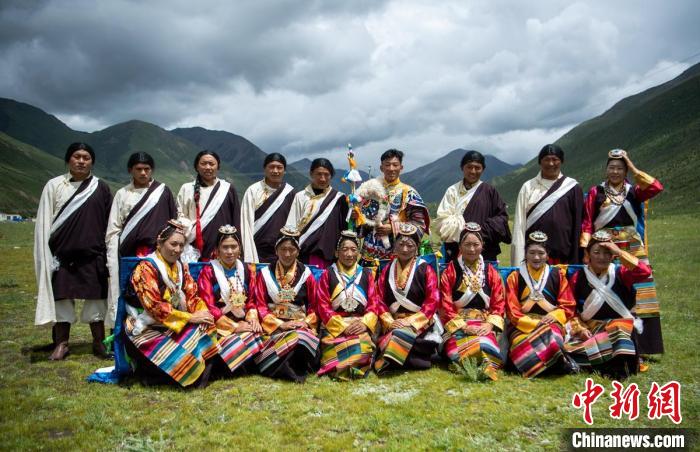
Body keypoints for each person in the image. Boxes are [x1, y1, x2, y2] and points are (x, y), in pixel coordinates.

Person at [580, 149, 664, 358]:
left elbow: (655, 187)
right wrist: (585, 251)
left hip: (632, 246)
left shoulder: (634, 191)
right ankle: (610, 335)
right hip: (603, 245)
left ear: (626, 171)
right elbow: (587, 221)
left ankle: (643, 343)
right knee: (609, 285)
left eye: (620, 168)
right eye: (611, 167)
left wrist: (632, 166)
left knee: (641, 288)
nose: (615, 172)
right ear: (606, 170)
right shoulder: (596, 192)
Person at [34, 143, 113, 360]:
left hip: (92, 256)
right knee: (61, 299)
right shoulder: (54, 186)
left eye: (86, 157)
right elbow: (44, 221)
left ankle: (98, 343)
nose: (81, 161)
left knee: (96, 300)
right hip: (62, 257)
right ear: (68, 159)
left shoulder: (101, 188)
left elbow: (109, 223)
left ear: (92, 162)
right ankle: (62, 344)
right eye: (77, 156)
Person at [124, 220, 219, 387]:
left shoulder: (181, 268)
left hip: (173, 322)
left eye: (181, 245)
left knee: (206, 326)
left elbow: (192, 295)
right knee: (174, 355)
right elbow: (154, 307)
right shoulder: (145, 268)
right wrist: (190, 317)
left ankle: (192, 373)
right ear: (159, 243)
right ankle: (163, 374)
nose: (177, 249)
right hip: (145, 324)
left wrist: (202, 312)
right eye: (173, 244)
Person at [566, 231, 651, 378]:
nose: (601, 257)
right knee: (568, 349)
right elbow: (570, 308)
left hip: (619, 326)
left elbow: (644, 272)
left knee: (619, 334)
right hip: (591, 328)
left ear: (612, 256)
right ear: (587, 254)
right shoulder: (577, 277)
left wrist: (619, 252)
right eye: (596, 252)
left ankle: (612, 364)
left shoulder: (621, 273)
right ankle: (607, 362)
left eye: (607, 253)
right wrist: (580, 329)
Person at [105, 152, 177, 327]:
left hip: (157, 254)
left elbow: (172, 222)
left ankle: (159, 330)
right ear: (130, 170)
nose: (143, 173)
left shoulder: (163, 192)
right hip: (130, 254)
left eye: (147, 169)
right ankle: (127, 331)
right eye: (138, 169)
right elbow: (114, 226)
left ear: (152, 170)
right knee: (132, 292)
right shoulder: (122, 194)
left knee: (158, 291)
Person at [505, 231, 577, 378]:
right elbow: (512, 309)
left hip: (550, 321)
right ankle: (555, 364)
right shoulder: (515, 277)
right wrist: (533, 324)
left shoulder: (557, 275)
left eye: (541, 253)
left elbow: (568, 304)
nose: (536, 257)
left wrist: (555, 315)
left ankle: (534, 366)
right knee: (519, 342)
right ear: (525, 254)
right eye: (531, 253)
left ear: (547, 255)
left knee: (554, 338)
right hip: (522, 324)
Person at [439, 223, 506, 381]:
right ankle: (477, 364)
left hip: (483, 323)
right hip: (458, 324)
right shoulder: (450, 271)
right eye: (467, 244)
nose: (471, 249)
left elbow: (498, 303)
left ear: (482, 245)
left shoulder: (491, 271)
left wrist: (489, 325)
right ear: (460, 246)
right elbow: (445, 305)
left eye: (476, 244)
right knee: (456, 349)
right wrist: (464, 327)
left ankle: (478, 364)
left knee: (485, 344)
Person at [253, 228, 320, 381]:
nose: (287, 254)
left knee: (301, 338)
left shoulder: (306, 274)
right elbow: (260, 305)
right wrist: (280, 324)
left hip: (299, 325)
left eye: (292, 250)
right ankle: (290, 368)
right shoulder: (264, 274)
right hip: (275, 327)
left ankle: (282, 365)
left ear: (298, 251)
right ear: (276, 250)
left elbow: (315, 306)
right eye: (283, 249)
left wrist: (305, 322)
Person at [197, 225, 264, 376]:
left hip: (243, 320)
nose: (229, 251)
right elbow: (208, 306)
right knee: (234, 341)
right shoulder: (208, 271)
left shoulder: (248, 270)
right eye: (225, 247)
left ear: (239, 249)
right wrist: (234, 326)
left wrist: (252, 319)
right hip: (219, 324)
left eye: (233, 247)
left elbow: (252, 300)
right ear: (217, 250)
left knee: (257, 334)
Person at [374, 223, 441, 373]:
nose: (404, 249)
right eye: (401, 244)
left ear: (417, 247)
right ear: (395, 246)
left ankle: (392, 359)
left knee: (398, 336)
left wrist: (410, 322)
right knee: (397, 333)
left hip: (419, 323)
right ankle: (410, 358)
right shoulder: (387, 269)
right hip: (395, 322)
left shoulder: (426, 269)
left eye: (410, 245)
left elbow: (432, 301)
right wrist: (390, 322)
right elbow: (378, 299)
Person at [316, 231, 381, 380]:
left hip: (359, 324)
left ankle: (355, 367)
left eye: (353, 250)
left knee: (362, 348)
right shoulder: (327, 274)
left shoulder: (367, 274)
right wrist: (342, 327)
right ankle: (339, 367)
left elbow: (374, 303)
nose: (349, 254)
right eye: (344, 249)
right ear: (336, 252)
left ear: (358, 253)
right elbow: (323, 305)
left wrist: (364, 324)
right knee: (333, 351)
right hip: (335, 327)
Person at [511, 144, 583, 266]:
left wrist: (576, 260)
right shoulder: (528, 187)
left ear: (561, 161)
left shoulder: (572, 187)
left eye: (555, 159)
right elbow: (519, 225)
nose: (551, 164)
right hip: (534, 259)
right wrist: (518, 263)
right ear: (540, 162)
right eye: (546, 160)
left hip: (563, 259)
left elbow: (578, 226)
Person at [356, 149, 430, 266]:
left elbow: (419, 225)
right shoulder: (371, 190)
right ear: (381, 168)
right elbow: (360, 221)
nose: (391, 169)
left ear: (401, 167)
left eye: (395, 165)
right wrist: (360, 218)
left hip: (398, 256)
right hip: (369, 254)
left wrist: (394, 228)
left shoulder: (409, 193)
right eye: (387, 165)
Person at [434, 150, 511, 262]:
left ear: (483, 169)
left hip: (484, 250)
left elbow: (501, 220)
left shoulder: (489, 191)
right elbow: (442, 222)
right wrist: (464, 231)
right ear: (462, 168)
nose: (473, 171)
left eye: (477, 168)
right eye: (469, 167)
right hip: (456, 250)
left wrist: (479, 231)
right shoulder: (452, 191)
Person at [177, 150, 241, 261]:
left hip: (222, 249)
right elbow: (180, 216)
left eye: (211, 164)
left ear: (218, 167)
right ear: (197, 167)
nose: (207, 167)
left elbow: (235, 220)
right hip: (192, 249)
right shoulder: (186, 189)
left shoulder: (227, 189)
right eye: (203, 164)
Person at [285, 158, 348, 269]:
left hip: (330, 257)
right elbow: (291, 225)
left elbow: (346, 226)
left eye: (326, 175)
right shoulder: (301, 196)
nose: (322, 178)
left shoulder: (339, 199)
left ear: (331, 176)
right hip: (303, 254)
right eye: (319, 174)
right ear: (311, 174)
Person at [240, 153, 295, 264]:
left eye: (279, 167)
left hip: (281, 252)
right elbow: (245, 221)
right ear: (265, 169)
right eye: (271, 167)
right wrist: (248, 252)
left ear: (284, 170)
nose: (275, 171)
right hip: (256, 248)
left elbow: (293, 223)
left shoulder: (290, 193)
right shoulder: (253, 190)